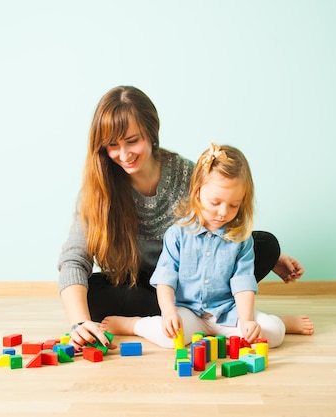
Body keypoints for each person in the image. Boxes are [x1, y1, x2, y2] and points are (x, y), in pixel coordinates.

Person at [57, 85, 313, 352]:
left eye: (132, 141)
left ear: (151, 132)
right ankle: (210, 321)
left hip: (193, 277)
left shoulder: (186, 173)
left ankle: (227, 320)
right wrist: (78, 323)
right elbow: (74, 258)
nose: (124, 154)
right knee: (95, 293)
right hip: (149, 288)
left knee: (267, 244)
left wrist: (273, 257)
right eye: (113, 145)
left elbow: (221, 216)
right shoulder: (99, 190)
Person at [102, 143, 285, 348]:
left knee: (274, 333)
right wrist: (169, 312)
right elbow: (165, 279)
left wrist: (247, 321)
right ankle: (135, 325)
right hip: (188, 312)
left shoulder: (241, 238)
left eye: (234, 205)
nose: (223, 212)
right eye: (215, 203)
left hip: (227, 313)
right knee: (170, 339)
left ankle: (277, 321)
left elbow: (243, 283)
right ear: (197, 192)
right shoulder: (178, 233)